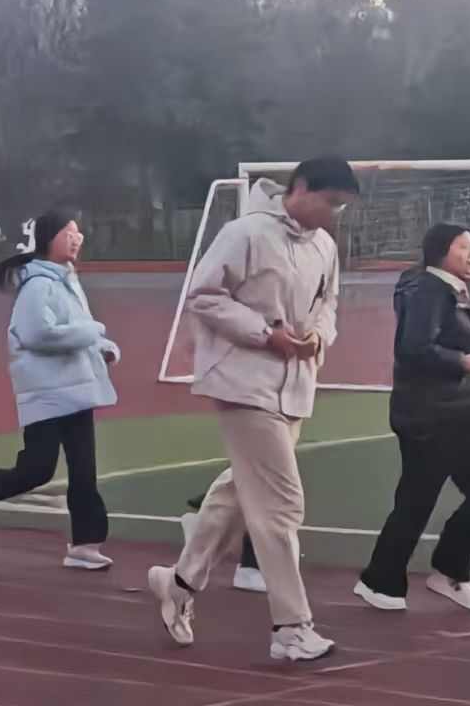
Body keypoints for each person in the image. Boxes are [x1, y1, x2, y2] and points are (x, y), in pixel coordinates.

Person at [147, 157, 357, 664]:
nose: (333, 214)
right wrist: (265, 335)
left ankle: (179, 583)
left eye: (341, 207)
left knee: (241, 492)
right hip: (244, 382)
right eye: (329, 201)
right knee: (281, 503)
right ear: (299, 187)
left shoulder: (325, 247)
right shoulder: (245, 233)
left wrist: (318, 338)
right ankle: (291, 626)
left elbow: (328, 304)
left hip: (294, 384)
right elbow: (203, 294)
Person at [356, 223, 470, 613]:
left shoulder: (459, 288)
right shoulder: (425, 290)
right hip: (429, 415)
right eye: (463, 247)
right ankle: (379, 581)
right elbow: (414, 348)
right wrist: (460, 362)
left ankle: (449, 571)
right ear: (441, 251)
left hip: (462, 414)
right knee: (417, 501)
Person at [0, 212, 120, 569]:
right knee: (38, 469)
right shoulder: (37, 285)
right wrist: (93, 332)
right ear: (49, 238)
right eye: (68, 233)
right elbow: (36, 335)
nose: (76, 240)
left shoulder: (67, 281)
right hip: (46, 392)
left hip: (77, 387)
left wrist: (105, 346)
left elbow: (78, 328)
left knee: (84, 470)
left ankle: (85, 544)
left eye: (79, 234)